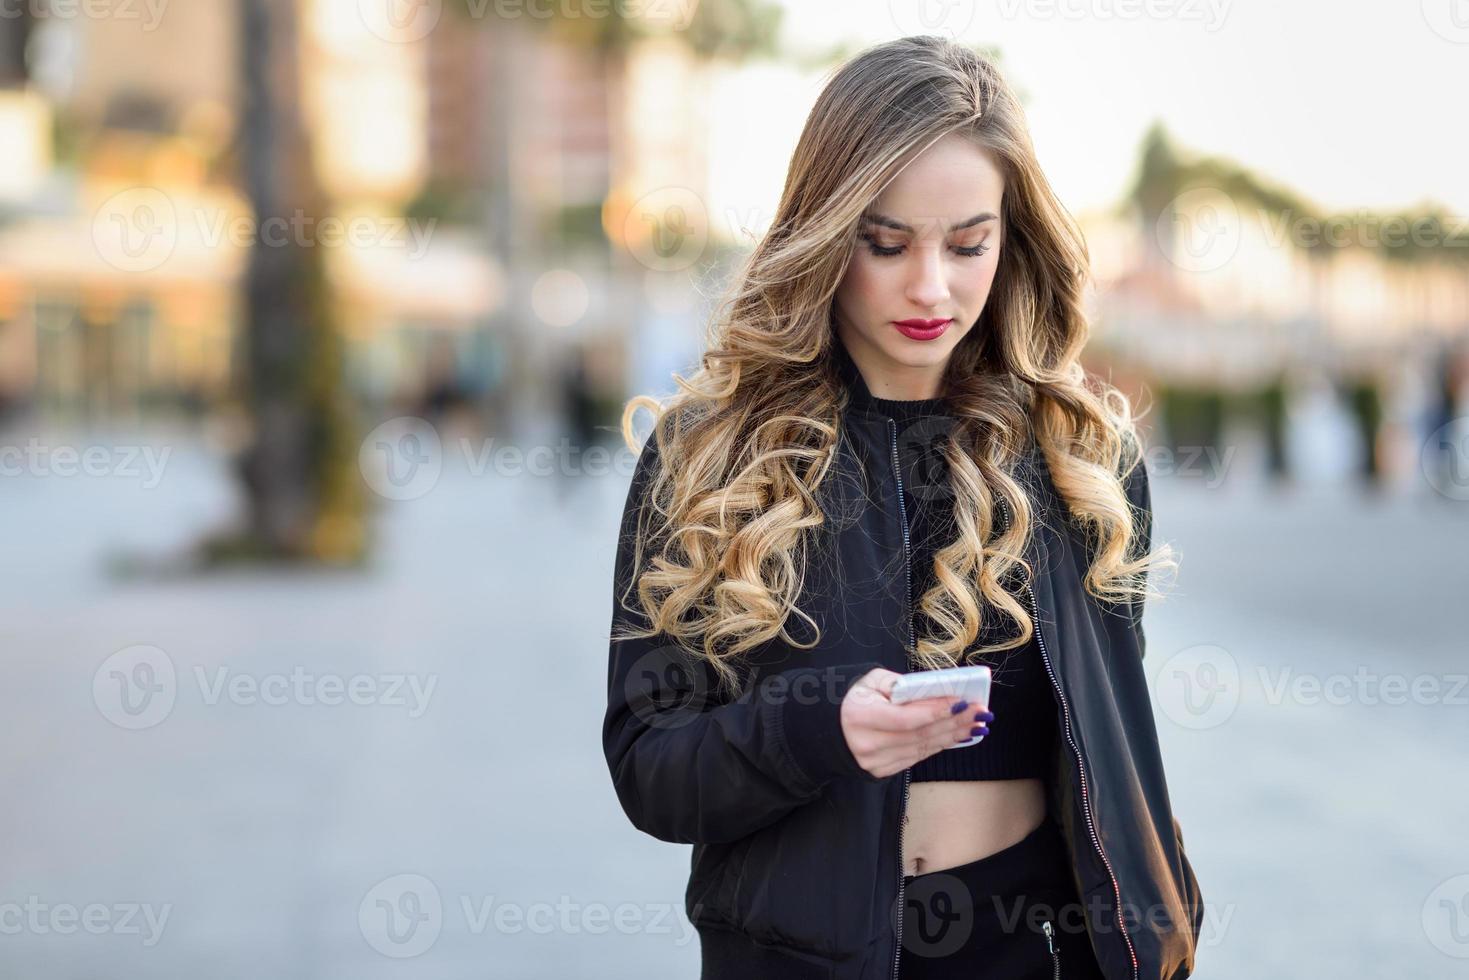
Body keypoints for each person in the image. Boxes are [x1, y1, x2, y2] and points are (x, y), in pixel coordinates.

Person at [602, 36, 1204, 980]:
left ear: (1012, 238)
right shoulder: (708, 458)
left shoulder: (1080, 455)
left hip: (1030, 953)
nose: (931, 286)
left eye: (968, 243)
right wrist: (815, 728)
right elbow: (651, 772)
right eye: (884, 244)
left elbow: (1114, 747)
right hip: (798, 961)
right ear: (824, 232)